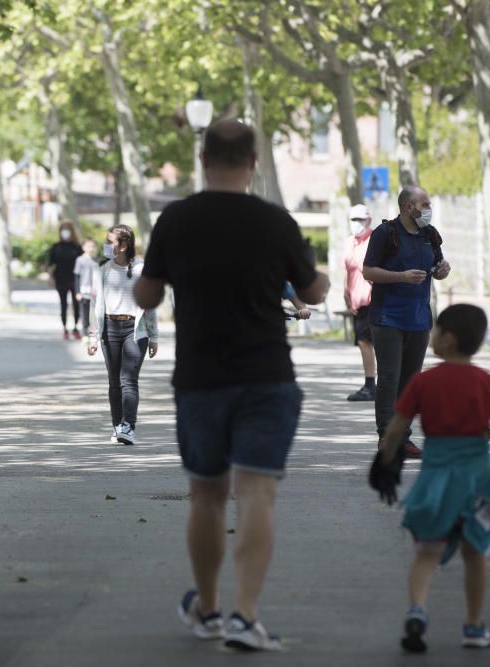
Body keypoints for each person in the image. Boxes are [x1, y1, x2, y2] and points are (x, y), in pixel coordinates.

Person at [134, 119, 328, 651]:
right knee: (257, 492)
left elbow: (146, 297)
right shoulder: (275, 222)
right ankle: (245, 615)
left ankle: (210, 608)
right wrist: (323, 281)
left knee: (206, 496)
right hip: (267, 374)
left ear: (202, 158)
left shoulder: (176, 219)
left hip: (200, 378)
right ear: (254, 160)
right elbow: (312, 288)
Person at [369, 304, 490, 654]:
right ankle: (474, 627)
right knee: (476, 552)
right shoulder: (486, 383)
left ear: (448, 338)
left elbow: (397, 427)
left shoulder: (424, 381)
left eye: (435, 330)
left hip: (437, 476)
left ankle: (417, 610)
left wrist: (384, 461)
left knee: (427, 551)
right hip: (478, 477)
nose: (431, 337)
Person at [362, 185, 451, 459]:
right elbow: (368, 271)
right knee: (389, 377)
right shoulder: (385, 234)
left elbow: (437, 267)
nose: (428, 209)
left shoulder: (429, 235)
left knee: (411, 381)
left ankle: (404, 437)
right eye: (423, 204)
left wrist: (442, 271)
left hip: (419, 318)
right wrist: (400, 277)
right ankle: (386, 437)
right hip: (388, 317)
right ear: (407, 207)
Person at [87, 225, 158, 445]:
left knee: (129, 380)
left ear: (124, 245)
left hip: (135, 331)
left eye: (111, 242)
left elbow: (149, 305)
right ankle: (117, 424)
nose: (106, 246)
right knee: (114, 381)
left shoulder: (142, 269)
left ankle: (128, 426)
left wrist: (153, 336)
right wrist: (93, 336)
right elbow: (94, 305)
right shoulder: (103, 270)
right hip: (110, 328)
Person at [342, 203, 376, 401]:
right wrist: (346, 291)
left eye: (360, 220)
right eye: (353, 220)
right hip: (357, 300)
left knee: (370, 342)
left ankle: (373, 385)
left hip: (374, 299)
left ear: (368, 220)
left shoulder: (374, 240)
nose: (357, 224)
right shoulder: (349, 242)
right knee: (364, 343)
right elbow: (348, 269)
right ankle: (370, 384)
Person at [47, 220, 84, 340]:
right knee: (63, 304)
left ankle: (75, 328)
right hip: (60, 279)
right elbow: (51, 264)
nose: (65, 233)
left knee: (76, 304)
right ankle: (65, 329)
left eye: (67, 230)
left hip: (75, 279)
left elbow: (83, 264)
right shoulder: (56, 247)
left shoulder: (77, 247)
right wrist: (50, 277)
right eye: (63, 230)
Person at [74, 238, 98, 337]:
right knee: (84, 315)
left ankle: (93, 334)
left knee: (93, 315)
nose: (91, 248)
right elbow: (77, 276)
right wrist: (77, 292)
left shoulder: (96, 260)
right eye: (89, 246)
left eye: (93, 246)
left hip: (94, 293)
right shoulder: (80, 260)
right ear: (83, 247)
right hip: (83, 292)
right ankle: (85, 335)